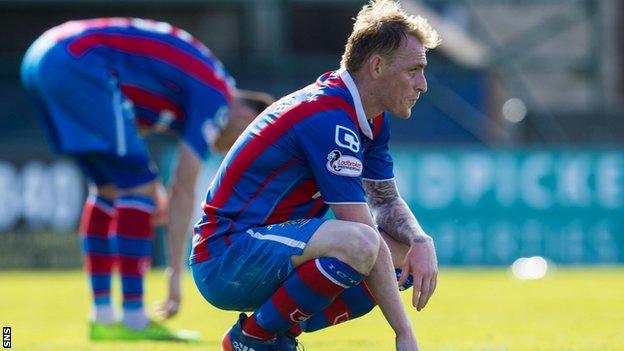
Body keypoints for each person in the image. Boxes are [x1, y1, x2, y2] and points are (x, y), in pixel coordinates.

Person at [190, 0, 441, 350]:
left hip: (266, 252)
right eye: (414, 70)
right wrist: (404, 333)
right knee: (363, 243)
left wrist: (420, 240)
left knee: (404, 257)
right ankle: (254, 339)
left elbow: (383, 198)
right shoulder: (327, 117)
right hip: (225, 257)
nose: (423, 84)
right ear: (377, 66)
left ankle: (277, 332)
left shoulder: (370, 116)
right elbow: (363, 235)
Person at [20, 17, 272, 341]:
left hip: (45, 56)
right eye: (246, 138)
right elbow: (183, 187)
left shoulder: (191, 92)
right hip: (77, 59)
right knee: (135, 186)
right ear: (246, 116)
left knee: (108, 188)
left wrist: (150, 184)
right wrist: (175, 275)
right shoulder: (217, 96)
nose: (233, 150)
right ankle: (136, 318)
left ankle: (103, 317)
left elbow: (130, 128)